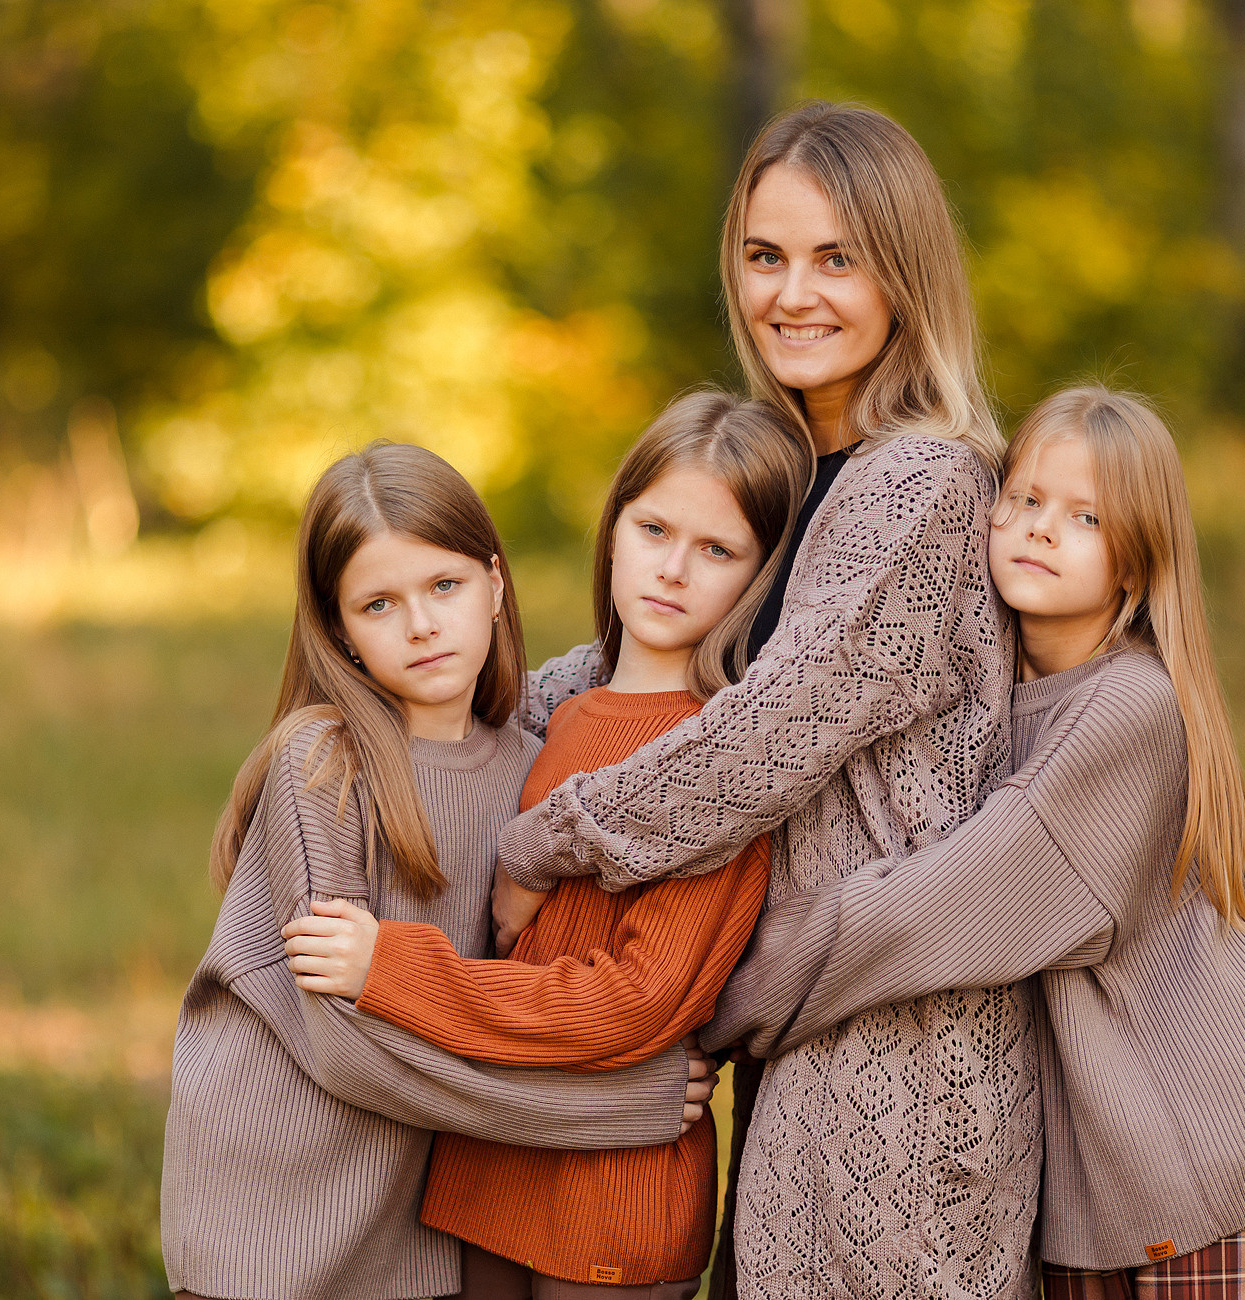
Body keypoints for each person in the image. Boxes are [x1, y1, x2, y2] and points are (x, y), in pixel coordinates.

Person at [491, 102, 1034, 1300]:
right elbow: (665, 670)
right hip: (794, 1032)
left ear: (906, 273)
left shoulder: (922, 482)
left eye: (838, 258)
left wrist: (547, 836)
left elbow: (763, 735)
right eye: (764, 255)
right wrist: (459, 708)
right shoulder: (799, 471)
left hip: (905, 1052)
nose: (792, 293)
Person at [704, 386, 1245, 1300]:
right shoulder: (1001, 698)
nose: (1041, 528)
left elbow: (934, 912)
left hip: (1200, 1184)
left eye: (1085, 517)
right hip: (1094, 1206)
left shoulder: (1129, 710)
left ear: (1137, 560)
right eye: (1025, 499)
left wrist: (709, 1010)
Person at [282, 390, 810, 1300]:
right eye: (654, 530)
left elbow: (633, 1002)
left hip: (611, 1196)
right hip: (488, 1170)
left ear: (763, 577)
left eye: (718, 550)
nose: (673, 570)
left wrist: (396, 971)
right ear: (614, 530)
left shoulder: (723, 759)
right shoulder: (550, 719)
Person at [159, 442, 714, 1300]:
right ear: (339, 630)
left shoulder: (529, 767)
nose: (420, 625)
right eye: (379, 604)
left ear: (494, 585)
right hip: (270, 1205)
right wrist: (610, 1109)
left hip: (416, 1205)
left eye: (444, 586)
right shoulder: (324, 764)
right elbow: (347, 1048)